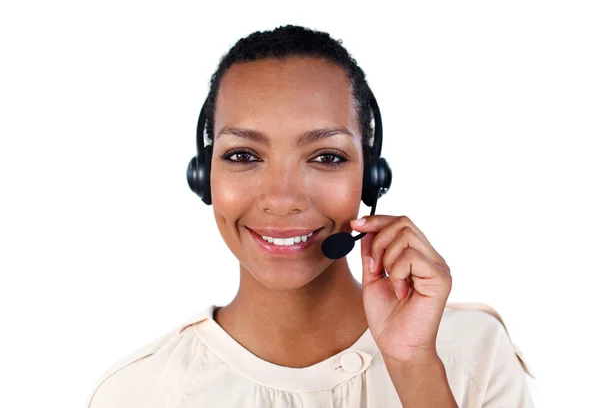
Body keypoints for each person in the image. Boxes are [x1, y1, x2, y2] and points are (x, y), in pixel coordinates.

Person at [85, 25, 534, 407]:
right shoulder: (137, 393)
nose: (282, 198)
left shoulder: (474, 355)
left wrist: (413, 366)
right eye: (243, 155)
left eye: (326, 157)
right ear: (202, 176)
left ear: (372, 177)